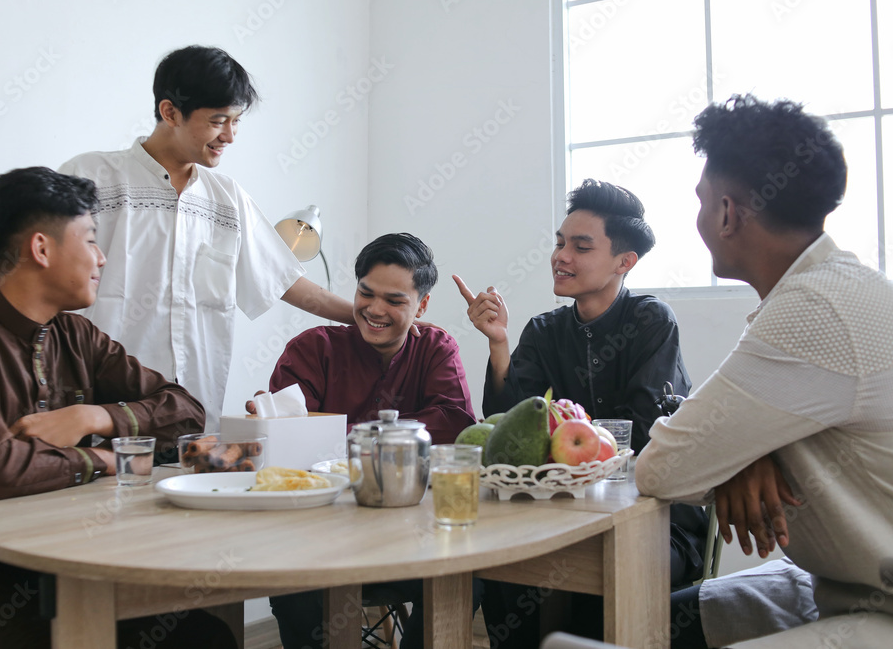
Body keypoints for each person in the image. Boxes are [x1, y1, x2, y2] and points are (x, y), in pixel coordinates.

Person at [0, 45, 355, 432]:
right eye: (219, 121)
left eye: (236, 122)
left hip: (192, 415)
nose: (230, 136)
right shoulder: (94, 176)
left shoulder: (227, 200)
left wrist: (370, 315)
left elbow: (287, 282)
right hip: (99, 411)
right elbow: (23, 251)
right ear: (169, 112)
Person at [0, 167, 235, 648]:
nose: (101, 257)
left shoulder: (75, 335)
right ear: (41, 248)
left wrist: (93, 417)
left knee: (203, 638)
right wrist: (104, 459)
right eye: (91, 239)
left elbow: (184, 408)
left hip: (65, 557)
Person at [636, 94, 893, 648]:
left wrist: (728, 455)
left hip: (880, 605)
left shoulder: (815, 310)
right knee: (664, 622)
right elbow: (697, 448)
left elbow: (661, 467)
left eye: (702, 201)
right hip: (837, 583)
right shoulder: (834, 286)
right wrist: (743, 455)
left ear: (727, 213)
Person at [455, 179, 707, 645]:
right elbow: (509, 435)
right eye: (559, 242)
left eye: (580, 246)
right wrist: (499, 344)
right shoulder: (545, 329)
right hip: (562, 515)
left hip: (655, 520)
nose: (561, 256)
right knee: (500, 570)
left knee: (600, 579)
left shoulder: (651, 321)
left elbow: (641, 436)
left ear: (623, 262)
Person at [262, 232, 479, 649]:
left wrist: (344, 438)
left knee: (471, 573)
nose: (375, 310)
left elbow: (455, 423)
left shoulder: (435, 349)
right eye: (366, 293)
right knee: (291, 581)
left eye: (395, 301)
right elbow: (289, 437)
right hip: (322, 534)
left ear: (423, 305)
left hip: (417, 531)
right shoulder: (313, 349)